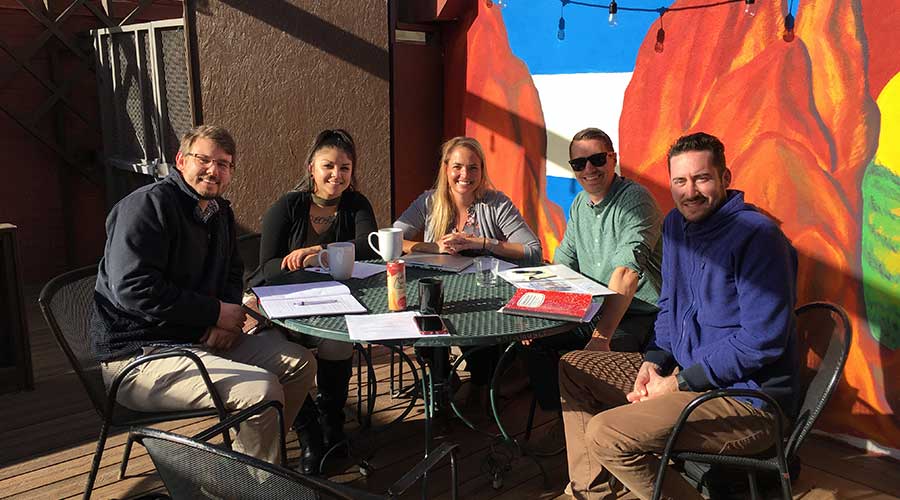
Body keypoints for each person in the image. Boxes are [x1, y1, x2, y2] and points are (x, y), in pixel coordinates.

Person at [558, 132, 800, 499]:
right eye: (680, 181)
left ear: (725, 178)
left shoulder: (759, 238)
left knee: (606, 434)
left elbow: (760, 341)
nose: (690, 192)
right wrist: (653, 362)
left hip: (746, 401)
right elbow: (670, 306)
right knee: (573, 366)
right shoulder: (675, 226)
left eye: (702, 178)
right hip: (685, 377)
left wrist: (680, 382)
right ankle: (592, 494)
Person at [90, 125, 316, 466]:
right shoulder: (147, 207)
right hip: (140, 355)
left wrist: (224, 321)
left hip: (196, 337)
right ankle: (256, 481)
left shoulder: (218, 211)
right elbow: (134, 289)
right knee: (261, 391)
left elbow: (232, 272)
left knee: (300, 363)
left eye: (224, 164)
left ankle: (246, 468)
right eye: (204, 160)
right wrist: (213, 314)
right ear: (181, 161)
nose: (213, 170)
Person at [522, 127, 663, 454]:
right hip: (594, 309)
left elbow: (626, 273)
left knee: (604, 359)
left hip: (639, 312)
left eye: (597, 159)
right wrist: (534, 314)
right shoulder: (579, 205)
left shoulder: (635, 201)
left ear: (613, 158)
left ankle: (621, 440)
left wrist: (601, 338)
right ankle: (565, 423)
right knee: (535, 343)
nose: (589, 169)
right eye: (579, 163)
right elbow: (562, 266)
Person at [252, 128, 378, 474]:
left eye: (345, 168)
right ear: (311, 168)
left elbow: (368, 246)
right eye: (328, 166)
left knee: (338, 343)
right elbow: (265, 267)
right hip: (286, 305)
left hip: (335, 305)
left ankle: (332, 425)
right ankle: (308, 434)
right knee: (284, 357)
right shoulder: (288, 205)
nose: (336, 175)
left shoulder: (356, 204)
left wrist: (319, 250)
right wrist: (293, 261)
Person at [393, 136, 542, 402]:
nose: (465, 175)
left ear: (482, 171)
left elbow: (533, 250)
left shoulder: (496, 204)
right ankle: (441, 376)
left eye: (473, 167)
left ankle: (482, 383)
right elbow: (392, 238)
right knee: (421, 316)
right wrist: (434, 247)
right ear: (446, 168)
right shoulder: (429, 201)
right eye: (458, 167)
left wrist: (482, 242)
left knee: (474, 333)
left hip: (486, 295)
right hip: (441, 290)